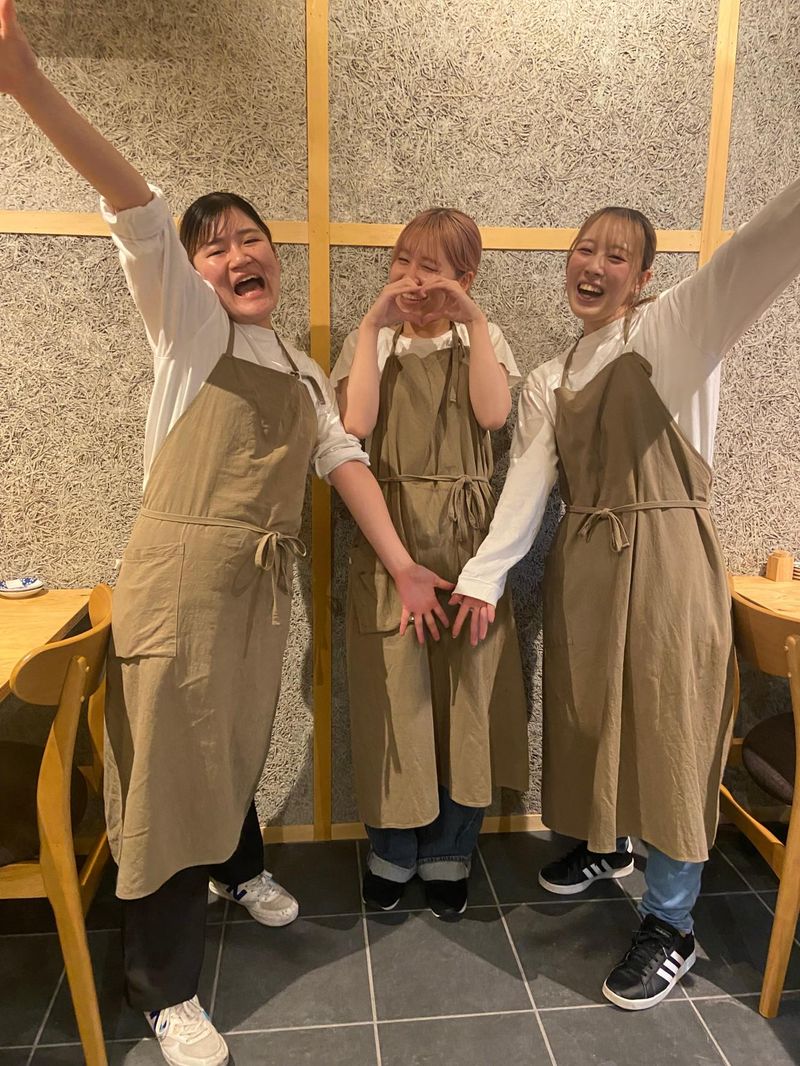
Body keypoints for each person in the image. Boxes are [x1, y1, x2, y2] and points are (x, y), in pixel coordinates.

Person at [0, 3, 452, 1063]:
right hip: (180, 575)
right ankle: (163, 989)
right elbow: (135, 206)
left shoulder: (298, 368)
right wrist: (25, 84)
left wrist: (403, 565)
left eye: (252, 239)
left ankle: (236, 866)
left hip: (256, 584)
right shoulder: (192, 331)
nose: (239, 252)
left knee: (235, 732)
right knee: (169, 769)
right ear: (190, 273)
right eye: (216, 246)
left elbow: (342, 462)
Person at [451, 182, 800, 1008]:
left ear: (643, 278)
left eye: (618, 255)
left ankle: (671, 923)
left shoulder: (675, 329)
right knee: (587, 717)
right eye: (585, 248)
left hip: (669, 555)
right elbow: (527, 486)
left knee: (670, 730)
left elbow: (756, 252)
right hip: (585, 561)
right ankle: (607, 845)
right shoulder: (551, 376)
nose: (595, 264)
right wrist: (483, 576)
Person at [332, 208, 529, 921]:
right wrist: (367, 329)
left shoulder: (485, 337)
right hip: (390, 537)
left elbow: (493, 416)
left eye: (431, 268)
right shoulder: (375, 340)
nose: (412, 280)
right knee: (393, 695)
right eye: (402, 262)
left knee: (466, 696)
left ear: (465, 279)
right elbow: (354, 426)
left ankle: (451, 848)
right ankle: (392, 849)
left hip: (469, 540)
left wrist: (474, 322)